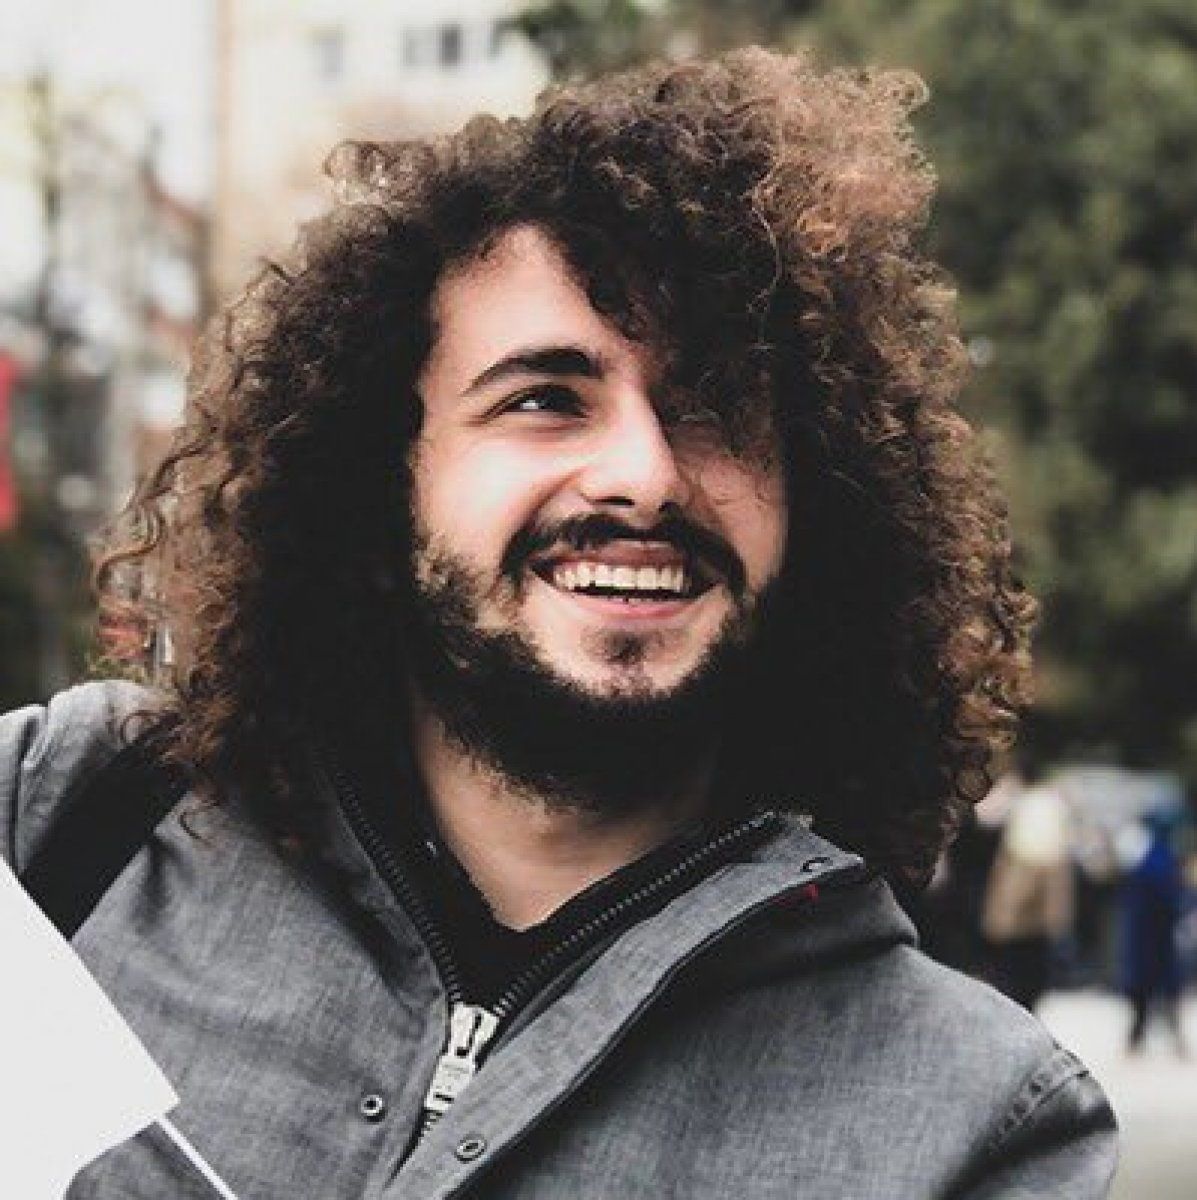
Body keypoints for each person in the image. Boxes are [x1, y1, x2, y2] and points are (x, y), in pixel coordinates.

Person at [1, 49, 1116, 1198]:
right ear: (383, 479)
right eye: (544, 399)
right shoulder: (64, 818)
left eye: (714, 408)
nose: (643, 474)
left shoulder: (977, 1121)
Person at [981, 776, 1075, 1011]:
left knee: (1014, 981)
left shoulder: (1022, 844)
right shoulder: (1049, 846)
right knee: (1026, 982)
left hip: (1018, 928)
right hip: (1033, 929)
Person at [1120, 809, 1188, 1056]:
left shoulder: (1147, 857)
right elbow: (1171, 899)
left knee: (1146, 992)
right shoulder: (1162, 859)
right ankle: (1149, 1039)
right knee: (1161, 991)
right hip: (1157, 938)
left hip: (1147, 938)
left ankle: (1137, 1040)